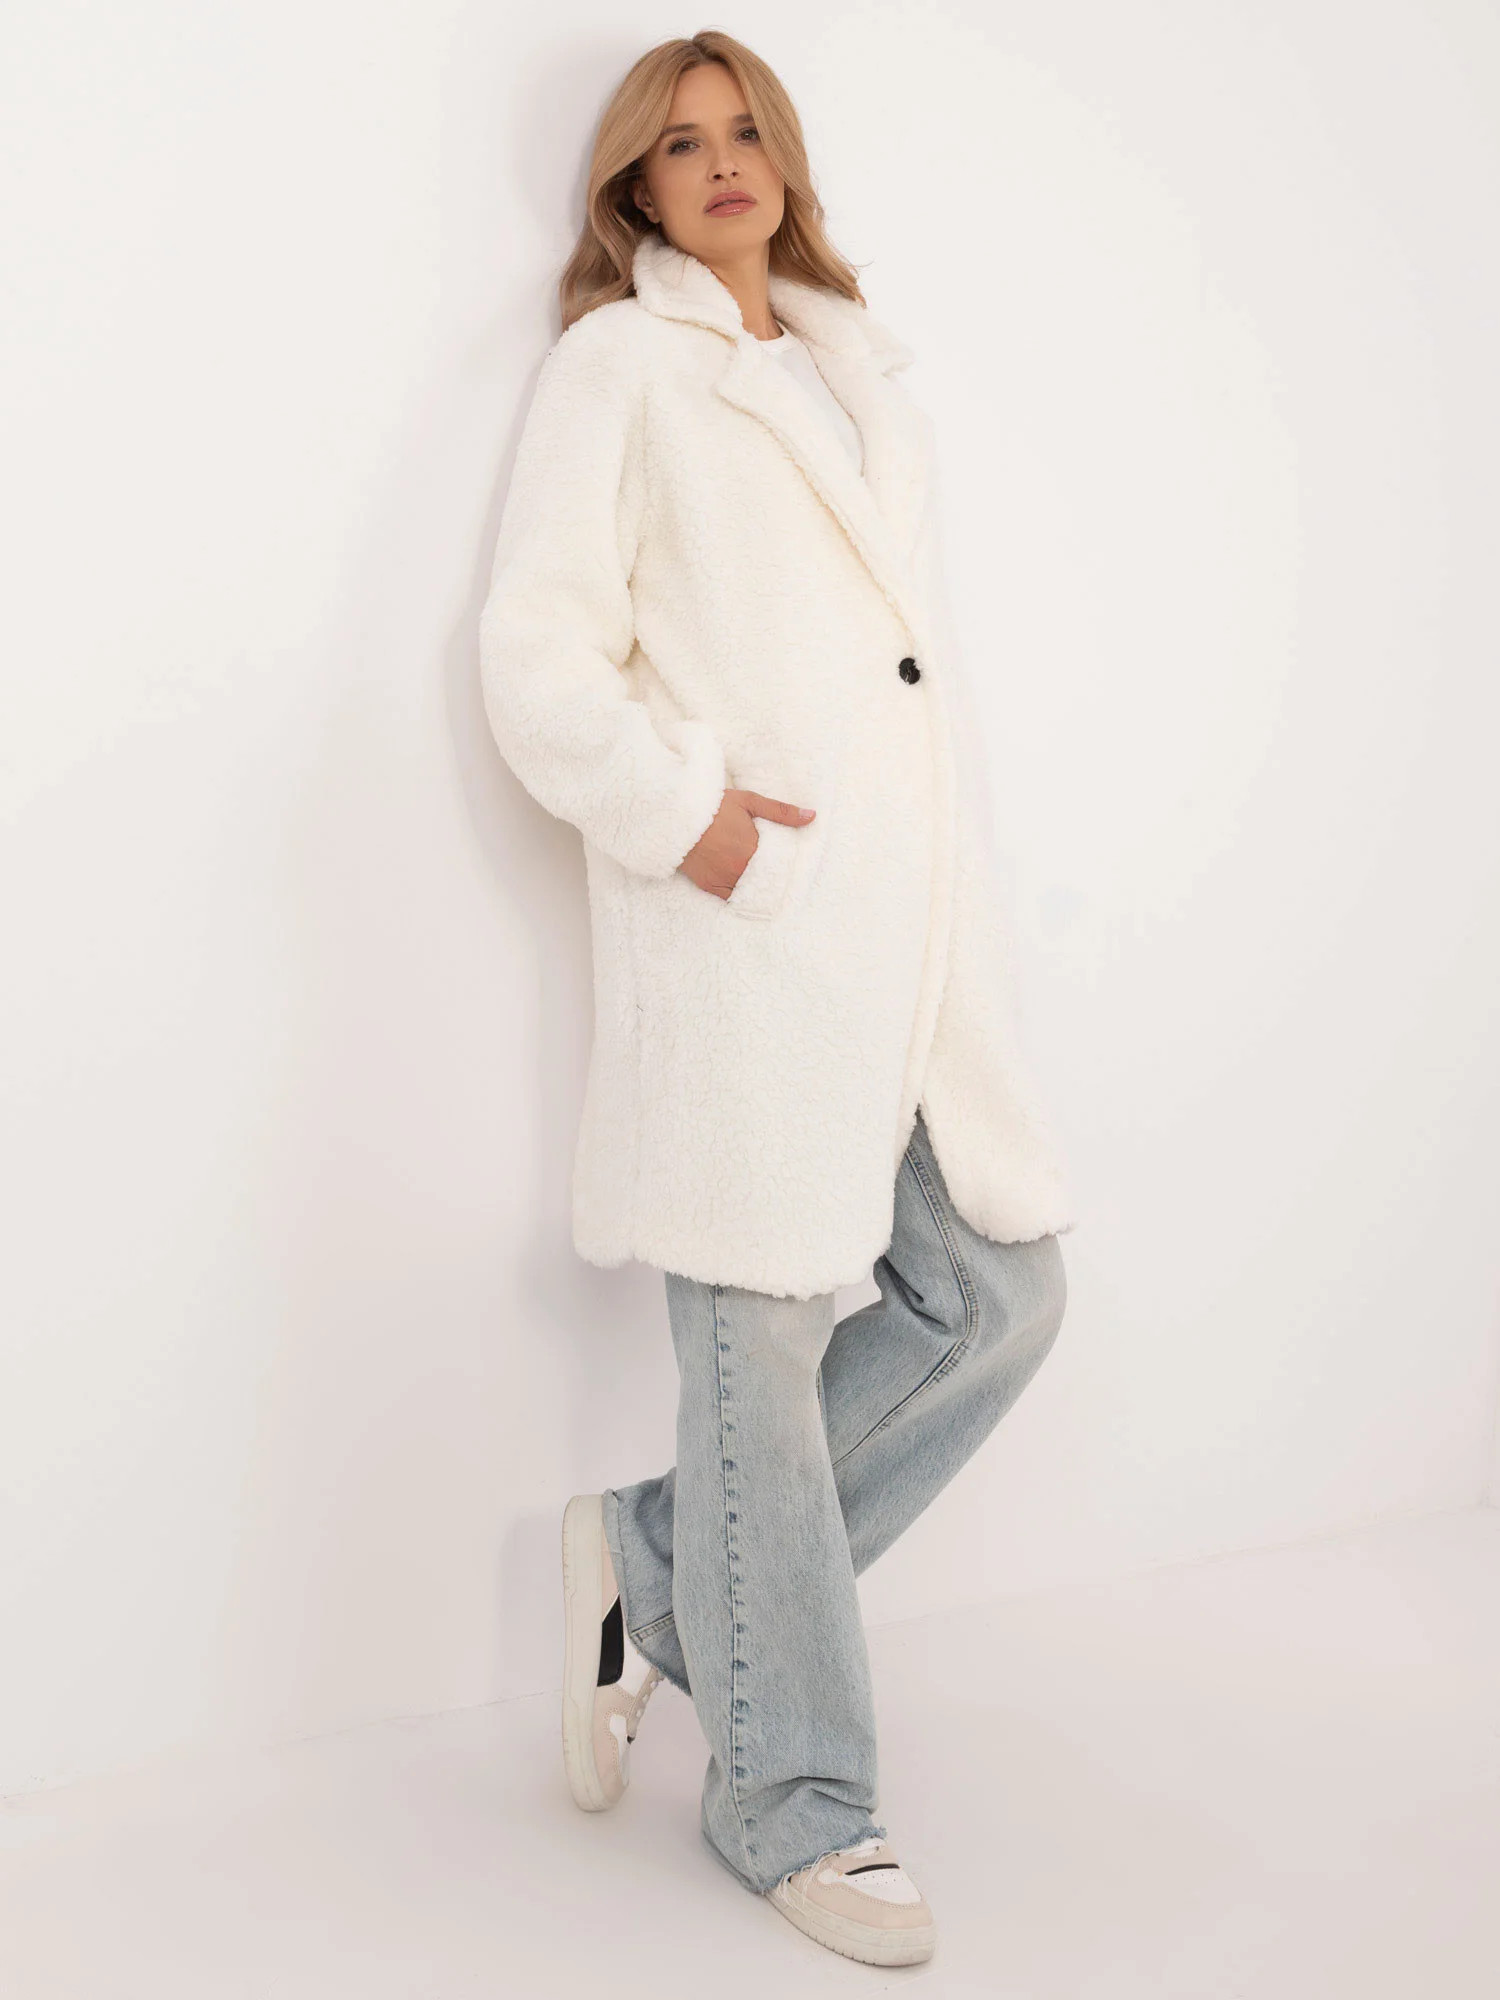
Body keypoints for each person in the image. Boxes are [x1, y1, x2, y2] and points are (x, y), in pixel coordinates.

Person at [479, 30, 1076, 1970]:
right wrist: (701, 827)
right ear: (635, 190)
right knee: (759, 1362)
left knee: (998, 1296)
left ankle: (654, 1562)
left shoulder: (848, 370)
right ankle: (790, 1796)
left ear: (785, 161)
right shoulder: (620, 369)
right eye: (681, 144)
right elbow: (536, 657)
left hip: (905, 954)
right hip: (748, 943)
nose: (722, 162)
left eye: (747, 132)